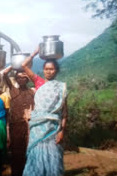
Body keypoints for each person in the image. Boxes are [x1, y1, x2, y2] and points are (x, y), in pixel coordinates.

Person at [21, 47, 68, 176]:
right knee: (36, 154)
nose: (48, 72)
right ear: (43, 70)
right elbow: (23, 65)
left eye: (51, 69)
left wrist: (62, 131)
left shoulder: (61, 87)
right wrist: (35, 52)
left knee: (53, 157)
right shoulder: (38, 82)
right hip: (37, 127)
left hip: (53, 128)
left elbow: (64, 112)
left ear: (56, 70)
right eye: (46, 69)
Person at [3, 66, 35, 176]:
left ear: (27, 79)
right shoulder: (13, 90)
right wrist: (14, 64)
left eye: (24, 77)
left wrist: (28, 72)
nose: (21, 79)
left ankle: (28, 172)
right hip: (15, 125)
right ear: (16, 79)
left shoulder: (32, 92)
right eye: (19, 78)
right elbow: (4, 74)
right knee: (16, 151)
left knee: (28, 150)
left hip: (29, 125)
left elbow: (38, 82)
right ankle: (16, 173)